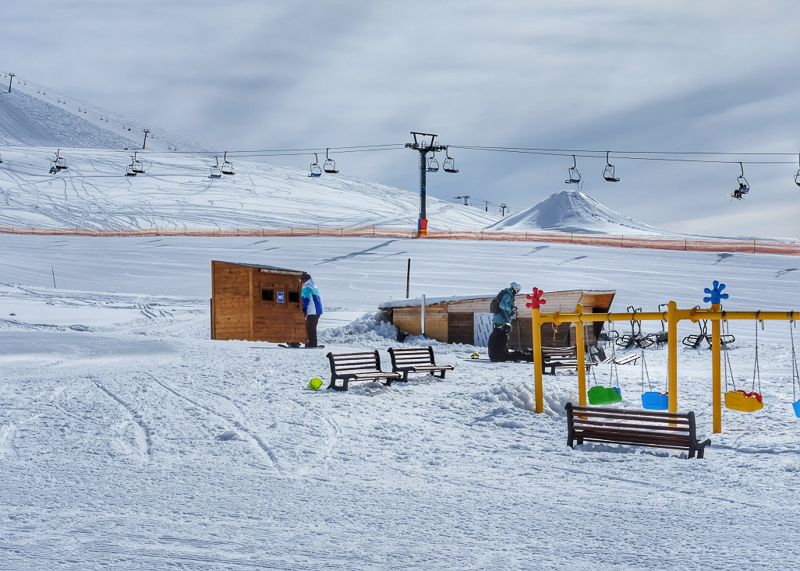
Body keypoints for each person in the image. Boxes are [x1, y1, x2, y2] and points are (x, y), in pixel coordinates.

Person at [299, 272, 322, 347]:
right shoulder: (313, 285)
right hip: (317, 310)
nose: (301, 282)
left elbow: (306, 299)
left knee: (310, 327)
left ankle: (312, 343)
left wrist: (304, 308)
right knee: (311, 326)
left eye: (301, 280)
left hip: (312, 310)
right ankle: (312, 342)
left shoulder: (306, 286)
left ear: (304, 280)